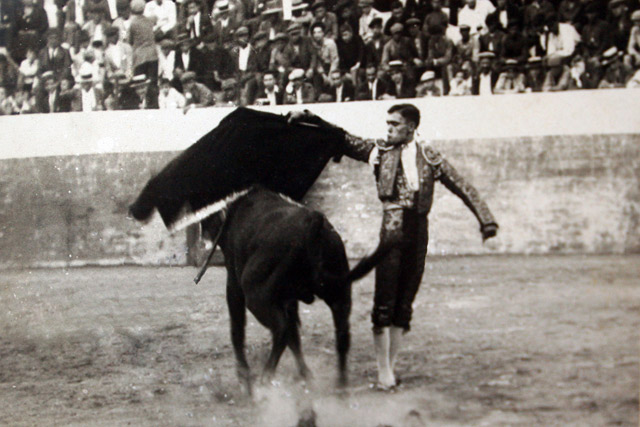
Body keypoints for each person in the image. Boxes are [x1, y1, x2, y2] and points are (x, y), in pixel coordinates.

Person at [288, 104, 498, 389]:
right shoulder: (380, 151)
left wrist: (487, 223)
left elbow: (463, 186)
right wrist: (311, 118)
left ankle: (391, 365)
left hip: (419, 231)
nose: (388, 128)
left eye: (394, 124)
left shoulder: (429, 156)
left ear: (411, 127)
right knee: (384, 300)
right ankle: (383, 370)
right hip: (393, 230)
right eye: (387, 123)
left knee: (405, 301)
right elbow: (342, 137)